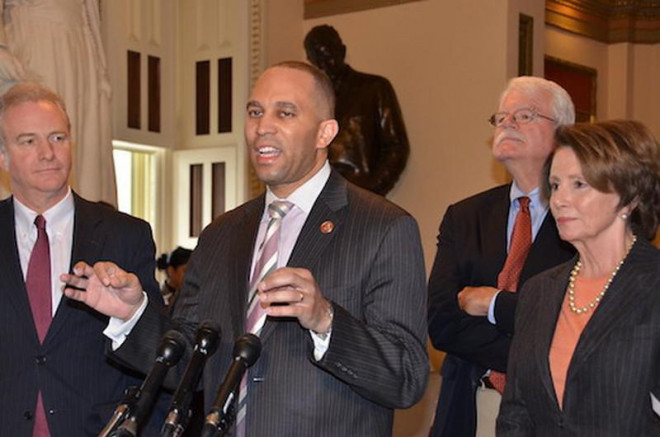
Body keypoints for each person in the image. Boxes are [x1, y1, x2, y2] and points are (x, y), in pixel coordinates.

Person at [62, 61, 429, 437]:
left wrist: (325, 319)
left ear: (325, 132)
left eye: (284, 113)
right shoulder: (222, 233)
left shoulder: (384, 227)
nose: (262, 127)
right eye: (255, 112)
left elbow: (407, 376)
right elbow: (189, 360)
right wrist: (132, 315)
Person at [0, 82, 164, 436]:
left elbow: (160, 358)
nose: (48, 153)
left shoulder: (126, 235)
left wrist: (131, 314)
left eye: (58, 138)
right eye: (28, 141)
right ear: (2, 155)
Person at [427, 76, 576, 437]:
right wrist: (536, 350)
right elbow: (442, 322)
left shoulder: (580, 217)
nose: (507, 123)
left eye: (524, 115)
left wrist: (494, 304)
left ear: (564, 134)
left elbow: (573, 323)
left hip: (553, 416)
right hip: (467, 407)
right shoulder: (464, 216)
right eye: (501, 117)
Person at [497, 120, 660, 436]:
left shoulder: (653, 284)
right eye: (555, 185)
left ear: (628, 196)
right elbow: (516, 412)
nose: (559, 200)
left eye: (579, 184)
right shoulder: (539, 291)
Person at [0, 0, 116, 205]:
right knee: (35, 133)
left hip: (81, 46)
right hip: (36, 42)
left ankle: (85, 229)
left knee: (76, 148)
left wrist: (100, 67)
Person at [304, 25, 409, 195]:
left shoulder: (374, 88)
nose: (324, 64)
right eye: (317, 58)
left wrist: (371, 191)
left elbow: (396, 147)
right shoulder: (308, 100)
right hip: (319, 197)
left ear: (342, 51)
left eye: (328, 55)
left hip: (363, 194)